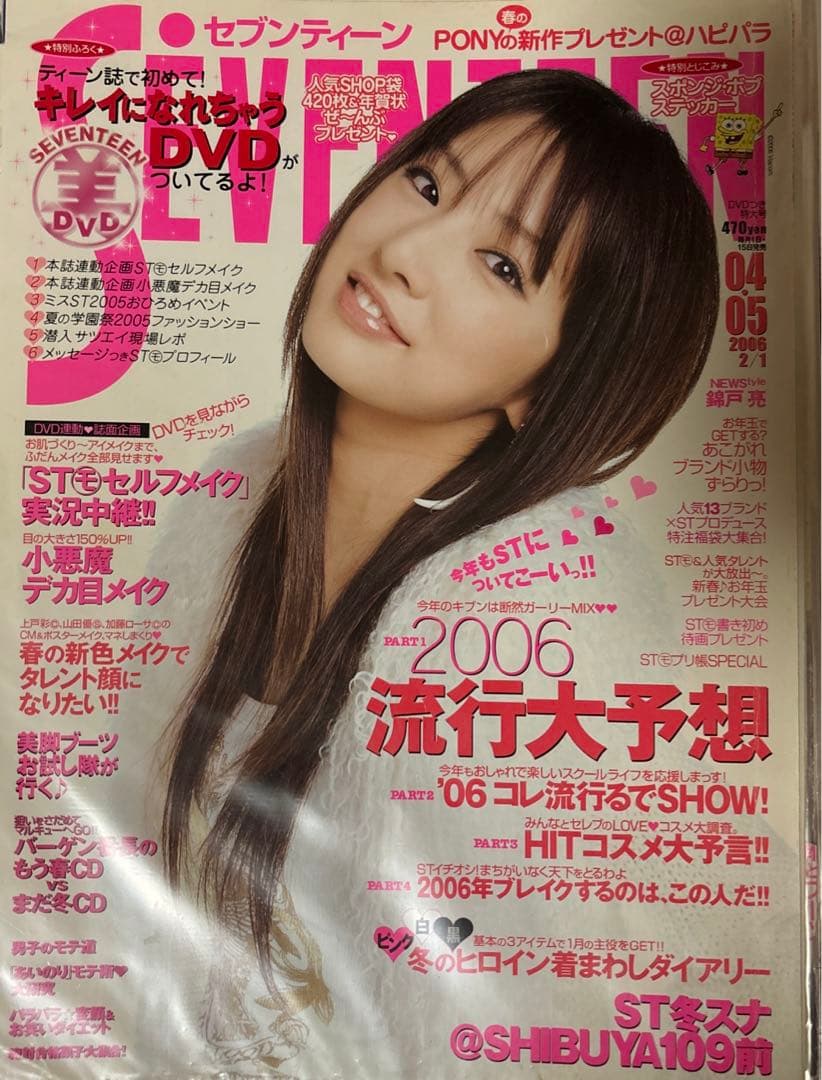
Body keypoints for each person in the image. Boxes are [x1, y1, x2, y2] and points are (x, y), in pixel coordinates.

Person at [160, 68, 719, 1075]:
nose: (403, 253)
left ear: (559, 383)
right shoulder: (234, 497)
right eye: (426, 184)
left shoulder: (530, 623)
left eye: (502, 265)